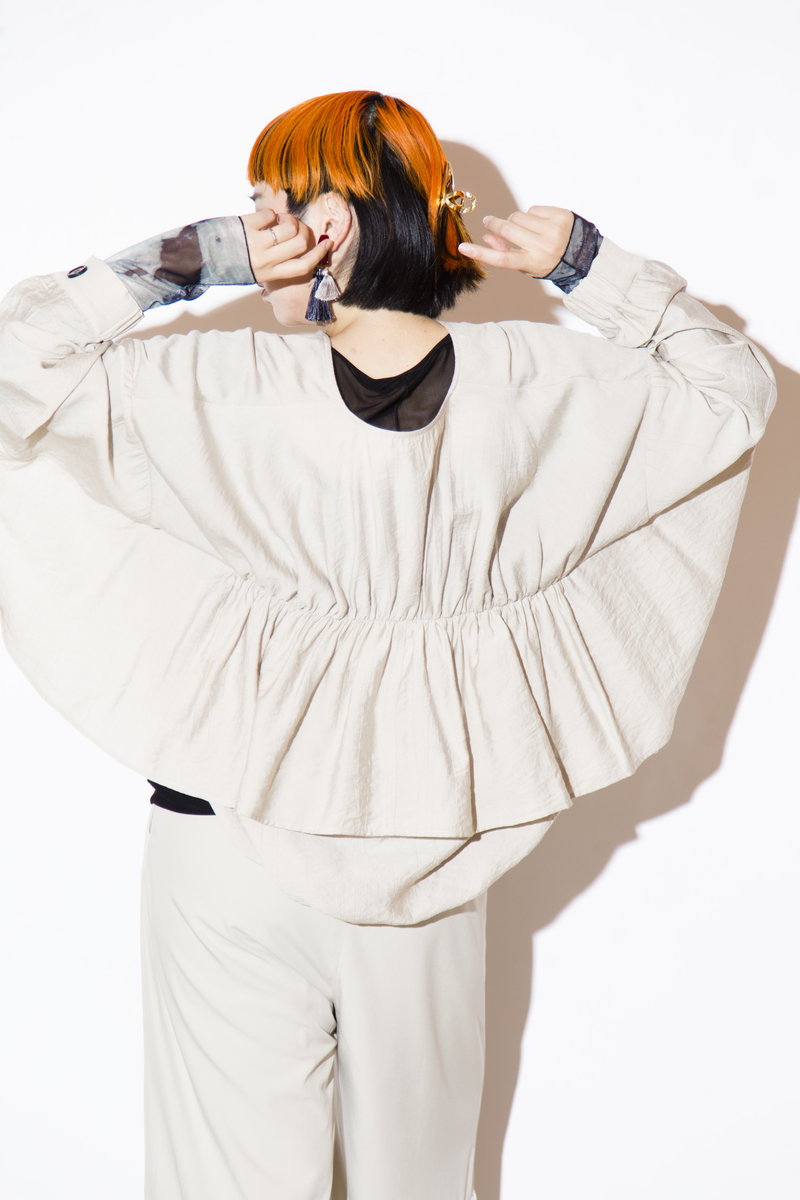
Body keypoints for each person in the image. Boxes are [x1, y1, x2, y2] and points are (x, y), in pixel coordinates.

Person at [0, 90, 776, 1200]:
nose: (253, 228)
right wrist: (585, 265)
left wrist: (191, 260)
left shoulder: (218, 388)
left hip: (223, 842)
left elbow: (13, 365)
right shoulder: (544, 389)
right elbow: (731, 390)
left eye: (266, 204)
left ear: (327, 224)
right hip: (434, 855)